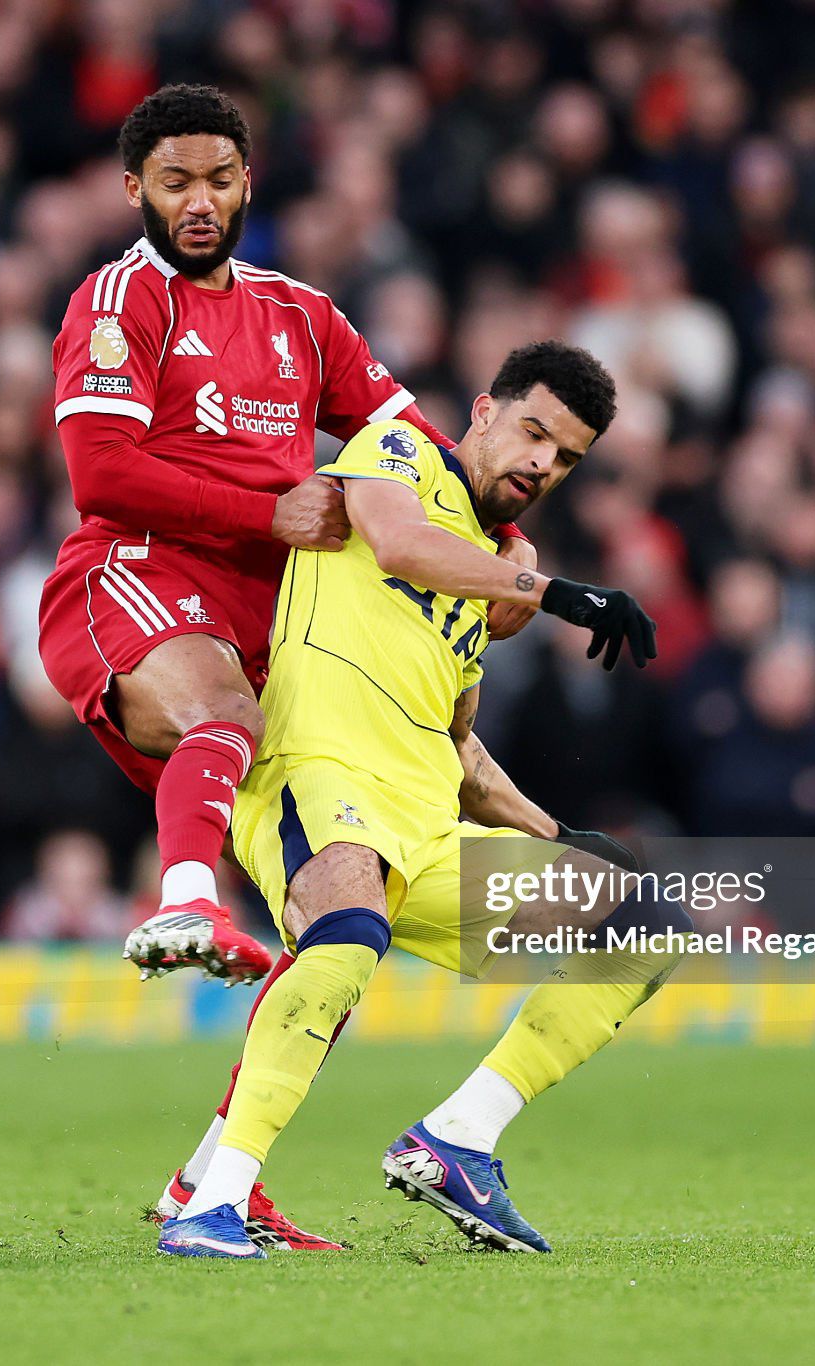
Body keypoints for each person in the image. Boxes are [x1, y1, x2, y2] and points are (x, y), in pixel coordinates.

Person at [156, 342, 679, 1259]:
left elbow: (456, 745)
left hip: (426, 828)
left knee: (645, 925)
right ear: (484, 411)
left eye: (565, 457)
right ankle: (212, 1203)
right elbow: (400, 544)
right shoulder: (396, 452)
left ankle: (459, 1137)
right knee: (346, 933)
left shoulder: (485, 573)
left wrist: (558, 831)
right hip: (319, 777)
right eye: (532, 433)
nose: (541, 464)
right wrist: (556, 593)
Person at [37, 84, 539, 985]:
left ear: (248, 183)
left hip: (278, 613)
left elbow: (418, 449)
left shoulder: (301, 316)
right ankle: (187, 904)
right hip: (139, 572)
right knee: (225, 713)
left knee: (340, 894)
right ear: (134, 189)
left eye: (219, 180)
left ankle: (254, 1079)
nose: (200, 202)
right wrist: (267, 514)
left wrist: (502, 539)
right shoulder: (120, 299)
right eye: (176, 182)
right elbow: (101, 474)